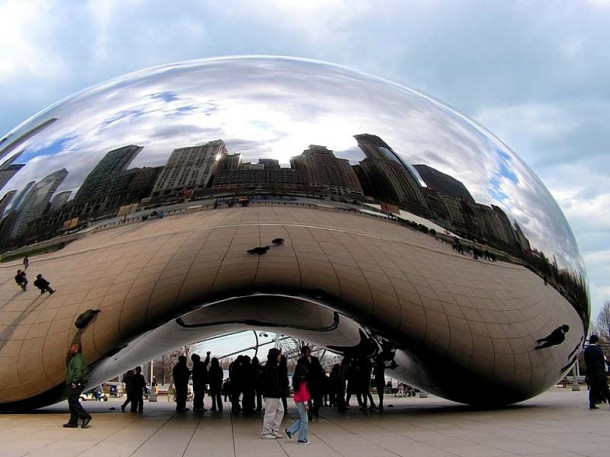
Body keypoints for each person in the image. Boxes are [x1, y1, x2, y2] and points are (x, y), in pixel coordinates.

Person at [64, 343, 92, 428]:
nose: (69, 349)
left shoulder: (78, 359)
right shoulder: (75, 358)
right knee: (72, 401)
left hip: (77, 382)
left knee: (73, 400)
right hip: (74, 382)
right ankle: (73, 421)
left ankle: (85, 416)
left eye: (71, 347)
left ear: (76, 349)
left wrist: (75, 382)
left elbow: (78, 371)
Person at [285, 358, 311, 445]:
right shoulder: (302, 380)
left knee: (303, 419)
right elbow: (303, 393)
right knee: (305, 420)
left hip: (298, 400)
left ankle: (290, 430)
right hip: (302, 400)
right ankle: (302, 438)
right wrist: (306, 403)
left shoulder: (296, 379)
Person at [260, 348, 285, 439]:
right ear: (275, 356)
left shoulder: (274, 366)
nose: (280, 356)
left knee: (280, 410)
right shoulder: (270, 367)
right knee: (270, 412)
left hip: (275, 393)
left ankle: (274, 430)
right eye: (279, 354)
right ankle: (266, 432)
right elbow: (270, 381)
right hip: (271, 393)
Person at [298, 346, 325, 420]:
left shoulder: (315, 359)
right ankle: (310, 413)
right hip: (307, 382)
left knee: (318, 399)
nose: (309, 351)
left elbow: (319, 369)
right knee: (308, 398)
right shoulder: (301, 361)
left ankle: (315, 410)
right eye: (307, 350)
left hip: (316, 382)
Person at [584, 335, 610, 409]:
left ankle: (592, 404)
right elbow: (602, 360)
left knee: (592, 388)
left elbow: (586, 361)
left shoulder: (587, 350)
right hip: (599, 370)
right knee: (605, 388)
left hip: (590, 371)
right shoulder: (598, 349)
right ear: (596, 341)